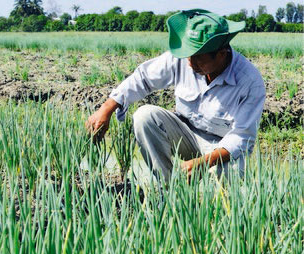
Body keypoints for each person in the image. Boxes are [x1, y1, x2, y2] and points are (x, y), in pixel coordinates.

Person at [86, 9, 266, 182]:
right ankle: (169, 189)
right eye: (188, 57)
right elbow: (144, 79)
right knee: (144, 116)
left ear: (220, 55)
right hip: (184, 132)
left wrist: (204, 162)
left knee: (229, 169)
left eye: (198, 59)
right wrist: (107, 108)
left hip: (220, 144)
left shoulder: (249, 82)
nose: (190, 63)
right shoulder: (185, 58)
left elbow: (242, 137)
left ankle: (220, 210)